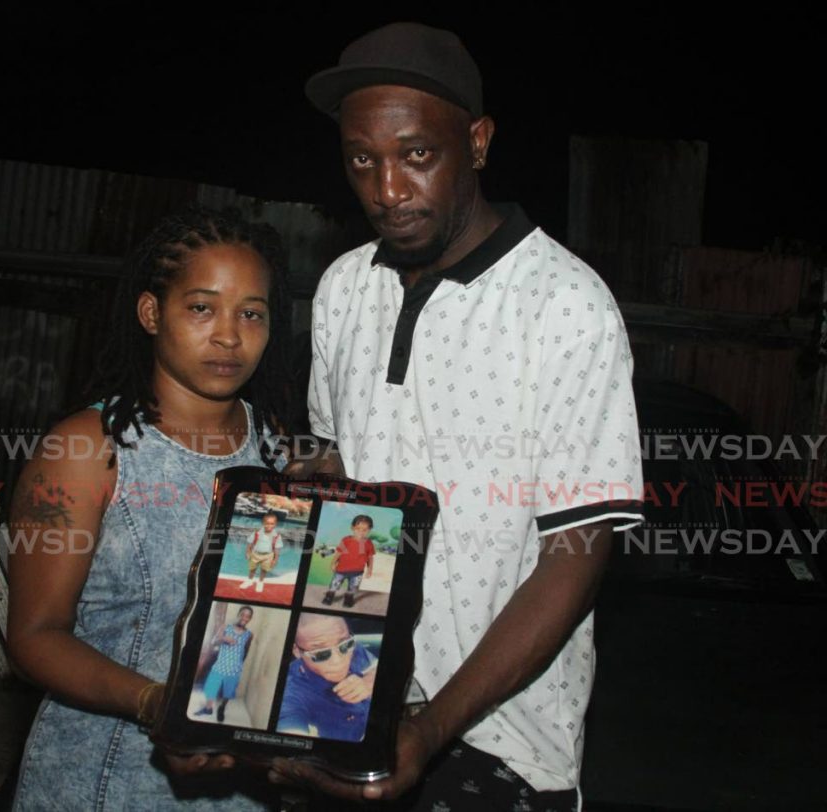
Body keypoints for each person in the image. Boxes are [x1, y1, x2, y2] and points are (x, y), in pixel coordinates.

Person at [274, 22, 645, 811]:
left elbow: (576, 554)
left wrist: (430, 725)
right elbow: (351, 481)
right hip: (346, 705)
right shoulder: (344, 289)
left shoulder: (566, 307)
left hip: (502, 740)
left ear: (476, 143)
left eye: (417, 155)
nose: (387, 191)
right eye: (362, 160)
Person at [7, 206, 290, 811]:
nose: (228, 335)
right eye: (201, 307)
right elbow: (33, 637)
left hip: (242, 789)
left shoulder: (282, 453)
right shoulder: (85, 449)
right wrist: (154, 703)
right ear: (150, 313)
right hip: (102, 777)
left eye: (251, 314)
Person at [276, 614, 378, 742]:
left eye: (345, 644)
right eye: (320, 653)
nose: (338, 660)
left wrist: (371, 680)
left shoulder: (352, 647)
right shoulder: (289, 694)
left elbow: (376, 665)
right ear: (296, 650)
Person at [196, 606, 255, 723]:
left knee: (228, 691)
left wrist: (239, 664)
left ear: (250, 619)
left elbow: (246, 650)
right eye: (243, 614)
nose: (245, 618)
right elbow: (213, 642)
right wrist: (224, 639)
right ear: (238, 614)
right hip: (220, 665)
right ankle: (208, 709)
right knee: (211, 687)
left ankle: (222, 708)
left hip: (234, 669)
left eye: (248, 616)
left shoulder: (249, 634)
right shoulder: (226, 627)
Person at [323, 514, 375, 607]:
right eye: (358, 528)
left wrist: (370, 570)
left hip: (357, 572)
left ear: (369, 530)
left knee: (353, 587)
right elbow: (338, 552)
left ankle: (348, 599)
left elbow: (370, 557)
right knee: (334, 585)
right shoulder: (346, 540)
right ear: (352, 528)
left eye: (365, 530)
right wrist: (333, 563)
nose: (361, 532)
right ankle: (329, 596)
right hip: (341, 570)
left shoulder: (368, 543)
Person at [240, 511, 282, 593]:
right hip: (255, 554)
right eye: (267, 523)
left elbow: (277, 549)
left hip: (268, 556)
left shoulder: (276, 536)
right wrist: (247, 551)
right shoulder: (257, 532)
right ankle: (249, 581)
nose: (269, 526)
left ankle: (260, 582)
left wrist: (275, 560)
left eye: (272, 524)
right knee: (252, 569)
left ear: (275, 524)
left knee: (264, 570)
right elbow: (250, 543)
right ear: (263, 523)